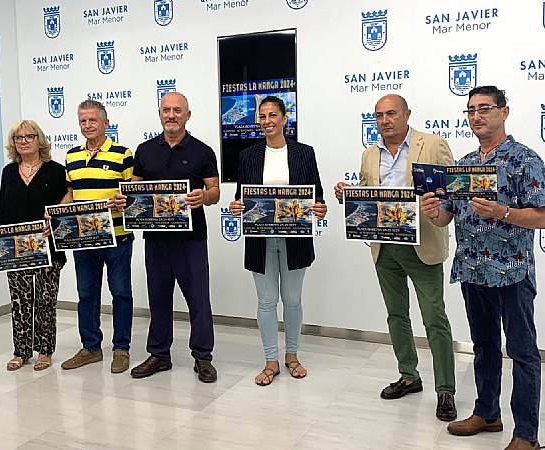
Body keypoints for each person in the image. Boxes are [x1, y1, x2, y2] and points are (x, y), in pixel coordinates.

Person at [420, 86, 544, 450]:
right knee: (484, 346)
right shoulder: (463, 166)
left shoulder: (525, 159)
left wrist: (503, 212)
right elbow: (446, 218)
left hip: (512, 273)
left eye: (485, 108)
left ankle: (526, 435)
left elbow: (542, 214)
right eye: (471, 110)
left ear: (504, 112)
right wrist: (434, 211)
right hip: (472, 270)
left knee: (522, 352)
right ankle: (487, 413)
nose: (477, 116)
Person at [334, 94, 457, 421]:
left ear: (406, 114)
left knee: (434, 318)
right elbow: (367, 195)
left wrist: (439, 208)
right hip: (384, 247)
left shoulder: (432, 145)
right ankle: (409, 375)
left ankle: (445, 389)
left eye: (391, 113)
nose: (384, 120)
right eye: (378, 115)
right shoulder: (369, 155)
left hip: (423, 246)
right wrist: (349, 196)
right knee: (396, 316)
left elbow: (452, 195)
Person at [229, 96, 327, 386]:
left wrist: (319, 207)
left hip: (295, 238)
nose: (267, 121)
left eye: (273, 115)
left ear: (285, 119)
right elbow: (241, 197)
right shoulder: (247, 156)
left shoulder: (305, 153)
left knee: (293, 300)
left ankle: (292, 356)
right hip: (260, 240)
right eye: (262, 116)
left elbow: (317, 194)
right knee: (266, 301)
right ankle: (271, 360)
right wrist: (237, 206)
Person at [122, 92, 220, 383]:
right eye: (167, 110)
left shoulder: (203, 151)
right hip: (156, 240)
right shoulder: (144, 150)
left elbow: (215, 192)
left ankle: (202, 357)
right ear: (159, 114)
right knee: (159, 298)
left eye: (178, 110)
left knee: (199, 300)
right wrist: (123, 197)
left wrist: (203, 196)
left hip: (191, 240)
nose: (172, 115)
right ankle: (159, 355)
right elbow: (135, 188)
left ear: (188, 115)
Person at [0, 120, 67, 371]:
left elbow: (65, 204)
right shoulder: (9, 172)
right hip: (15, 248)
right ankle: (21, 351)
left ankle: (45, 351)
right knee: (19, 300)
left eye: (29, 137)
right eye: (18, 138)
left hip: (48, 247)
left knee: (45, 301)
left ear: (39, 140)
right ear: (13, 144)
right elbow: (3, 209)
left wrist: (56, 219)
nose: (24, 142)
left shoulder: (56, 171)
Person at [59, 100, 134, 374]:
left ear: (106, 122)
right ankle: (91, 347)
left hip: (117, 237)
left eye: (93, 120)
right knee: (86, 295)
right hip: (84, 238)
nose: (87, 125)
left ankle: (121, 349)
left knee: (121, 294)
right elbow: (71, 192)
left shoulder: (122, 154)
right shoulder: (71, 157)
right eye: (83, 121)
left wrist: (123, 199)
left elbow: (134, 191)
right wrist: (58, 210)